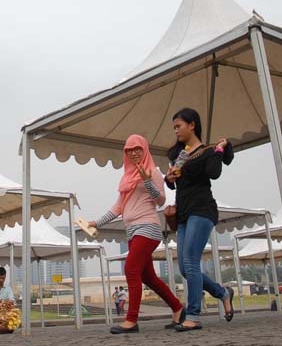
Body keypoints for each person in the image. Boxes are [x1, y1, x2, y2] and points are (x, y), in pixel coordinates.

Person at [88, 135, 183, 334]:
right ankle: (177, 308)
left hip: (148, 228)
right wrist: (97, 222)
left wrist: (147, 181)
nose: (133, 152)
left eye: (137, 148)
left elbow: (160, 200)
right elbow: (118, 207)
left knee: (131, 268)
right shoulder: (126, 177)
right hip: (132, 232)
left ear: (144, 149)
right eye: (129, 150)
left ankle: (131, 320)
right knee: (148, 277)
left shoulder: (153, 172)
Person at [164, 108, 235, 332]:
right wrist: (169, 178)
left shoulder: (207, 152)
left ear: (192, 125)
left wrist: (219, 150)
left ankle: (193, 315)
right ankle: (223, 293)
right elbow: (174, 182)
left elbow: (214, 173)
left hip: (203, 210)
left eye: (179, 126)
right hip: (184, 213)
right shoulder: (179, 154)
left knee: (191, 262)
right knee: (185, 268)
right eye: (174, 127)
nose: (176, 130)